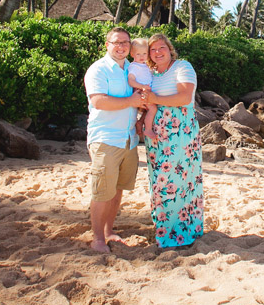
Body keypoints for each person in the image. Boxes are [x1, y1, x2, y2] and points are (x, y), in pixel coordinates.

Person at [83, 27, 144, 253]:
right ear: (107, 45)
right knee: (102, 191)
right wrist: (131, 101)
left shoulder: (131, 68)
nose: (121, 47)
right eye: (116, 42)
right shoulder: (98, 70)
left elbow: (141, 96)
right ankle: (98, 238)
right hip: (106, 138)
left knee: (117, 189)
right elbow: (99, 101)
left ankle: (109, 231)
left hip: (128, 139)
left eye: (125, 43)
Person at [143, 33, 204, 247]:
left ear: (170, 49)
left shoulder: (182, 67)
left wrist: (155, 99)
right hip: (157, 133)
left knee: (178, 180)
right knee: (158, 179)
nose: (158, 52)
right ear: (149, 54)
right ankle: (163, 225)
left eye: (162, 48)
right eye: (153, 49)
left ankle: (180, 231)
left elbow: (185, 97)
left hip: (181, 130)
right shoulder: (150, 73)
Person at [127, 38, 157, 141]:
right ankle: (147, 129)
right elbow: (131, 81)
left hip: (146, 91)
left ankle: (140, 123)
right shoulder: (134, 67)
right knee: (153, 109)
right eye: (138, 54)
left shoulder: (144, 65)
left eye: (144, 53)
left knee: (147, 110)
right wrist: (142, 87)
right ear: (132, 54)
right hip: (141, 92)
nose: (141, 56)